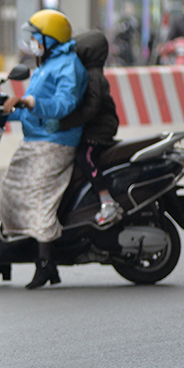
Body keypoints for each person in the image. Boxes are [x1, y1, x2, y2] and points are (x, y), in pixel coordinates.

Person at [0, 9, 87, 290]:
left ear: (50, 39)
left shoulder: (68, 66)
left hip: (56, 142)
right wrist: (1, 114)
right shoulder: (45, 64)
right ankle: (0, 260)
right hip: (36, 141)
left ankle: (46, 263)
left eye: (37, 37)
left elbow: (64, 105)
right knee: (6, 195)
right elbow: (30, 108)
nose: (33, 42)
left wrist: (28, 103)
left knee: (37, 198)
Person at [56, 30, 121, 226]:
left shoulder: (93, 77)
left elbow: (91, 109)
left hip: (99, 130)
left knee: (85, 157)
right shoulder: (87, 73)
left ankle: (106, 200)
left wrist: (67, 121)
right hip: (93, 127)